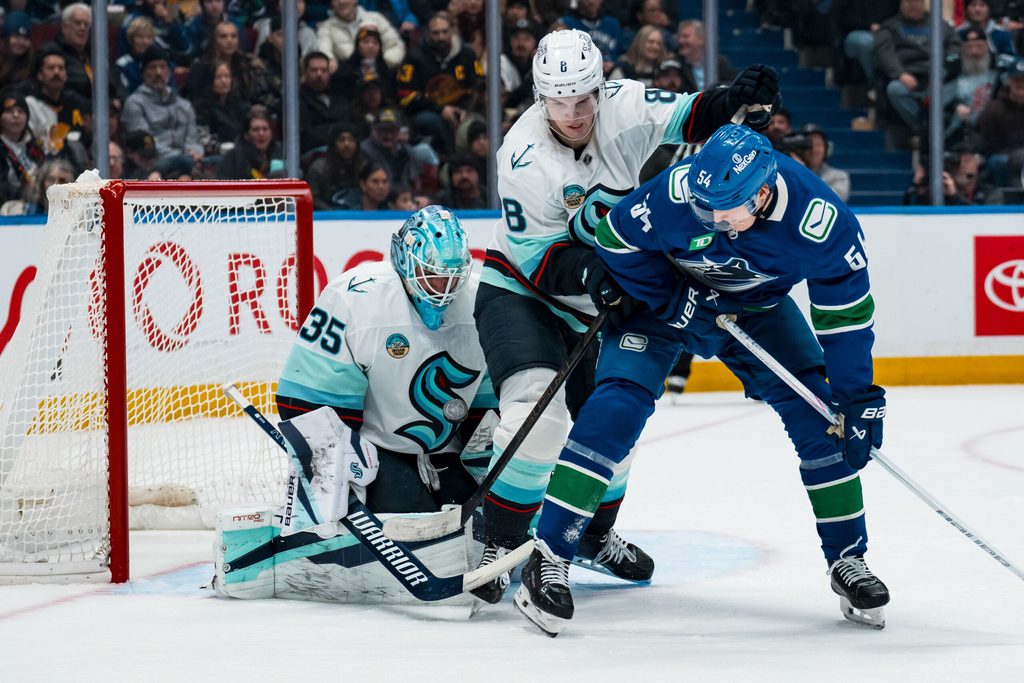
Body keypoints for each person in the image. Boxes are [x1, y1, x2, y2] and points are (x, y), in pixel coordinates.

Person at [515, 123, 889, 636]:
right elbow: (615, 238)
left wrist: (857, 398)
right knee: (615, 407)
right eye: (705, 204)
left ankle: (849, 559)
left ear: (762, 191)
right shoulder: (681, 190)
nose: (711, 216)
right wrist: (673, 300)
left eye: (725, 208)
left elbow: (845, 319)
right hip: (667, 304)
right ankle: (550, 554)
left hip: (757, 310)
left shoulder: (821, 224)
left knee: (823, 419)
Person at [468, 28, 781, 607]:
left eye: (584, 97)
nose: (575, 112)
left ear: (598, 85)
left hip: (601, 291)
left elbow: (692, 117)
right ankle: (500, 539)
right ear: (540, 97)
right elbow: (539, 260)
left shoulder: (622, 101)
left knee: (612, 427)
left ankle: (591, 535)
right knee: (535, 417)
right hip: (522, 294)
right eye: (560, 101)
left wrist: (734, 95)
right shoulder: (521, 156)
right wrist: (597, 274)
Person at [276, 205, 497, 515]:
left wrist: (491, 463)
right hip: (375, 452)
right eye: (432, 273)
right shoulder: (354, 298)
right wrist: (339, 467)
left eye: (452, 276)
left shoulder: (481, 303)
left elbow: (491, 400)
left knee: (482, 520)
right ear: (405, 261)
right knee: (406, 517)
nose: (443, 287)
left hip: (448, 452)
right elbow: (303, 397)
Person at [122, 45, 203, 175]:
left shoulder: (184, 104)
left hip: (186, 162)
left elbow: (193, 139)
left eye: (162, 66)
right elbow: (145, 144)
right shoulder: (134, 104)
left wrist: (194, 152)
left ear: (169, 71)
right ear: (143, 72)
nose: (158, 72)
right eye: (152, 67)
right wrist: (180, 159)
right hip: (153, 164)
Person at [0, 91, 46, 205]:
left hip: (40, 206)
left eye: (20, 111)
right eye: (9, 111)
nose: (16, 115)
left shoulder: (36, 146)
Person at [216, 106, 281, 179]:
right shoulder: (232, 158)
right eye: (256, 129)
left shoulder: (282, 155)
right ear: (246, 134)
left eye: (265, 129)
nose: (261, 134)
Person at [799, 125, 851, 202]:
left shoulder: (839, 176)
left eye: (818, 145)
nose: (814, 150)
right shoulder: (793, 175)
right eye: (809, 145)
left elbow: (836, 200)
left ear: (826, 148)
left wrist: (804, 174)